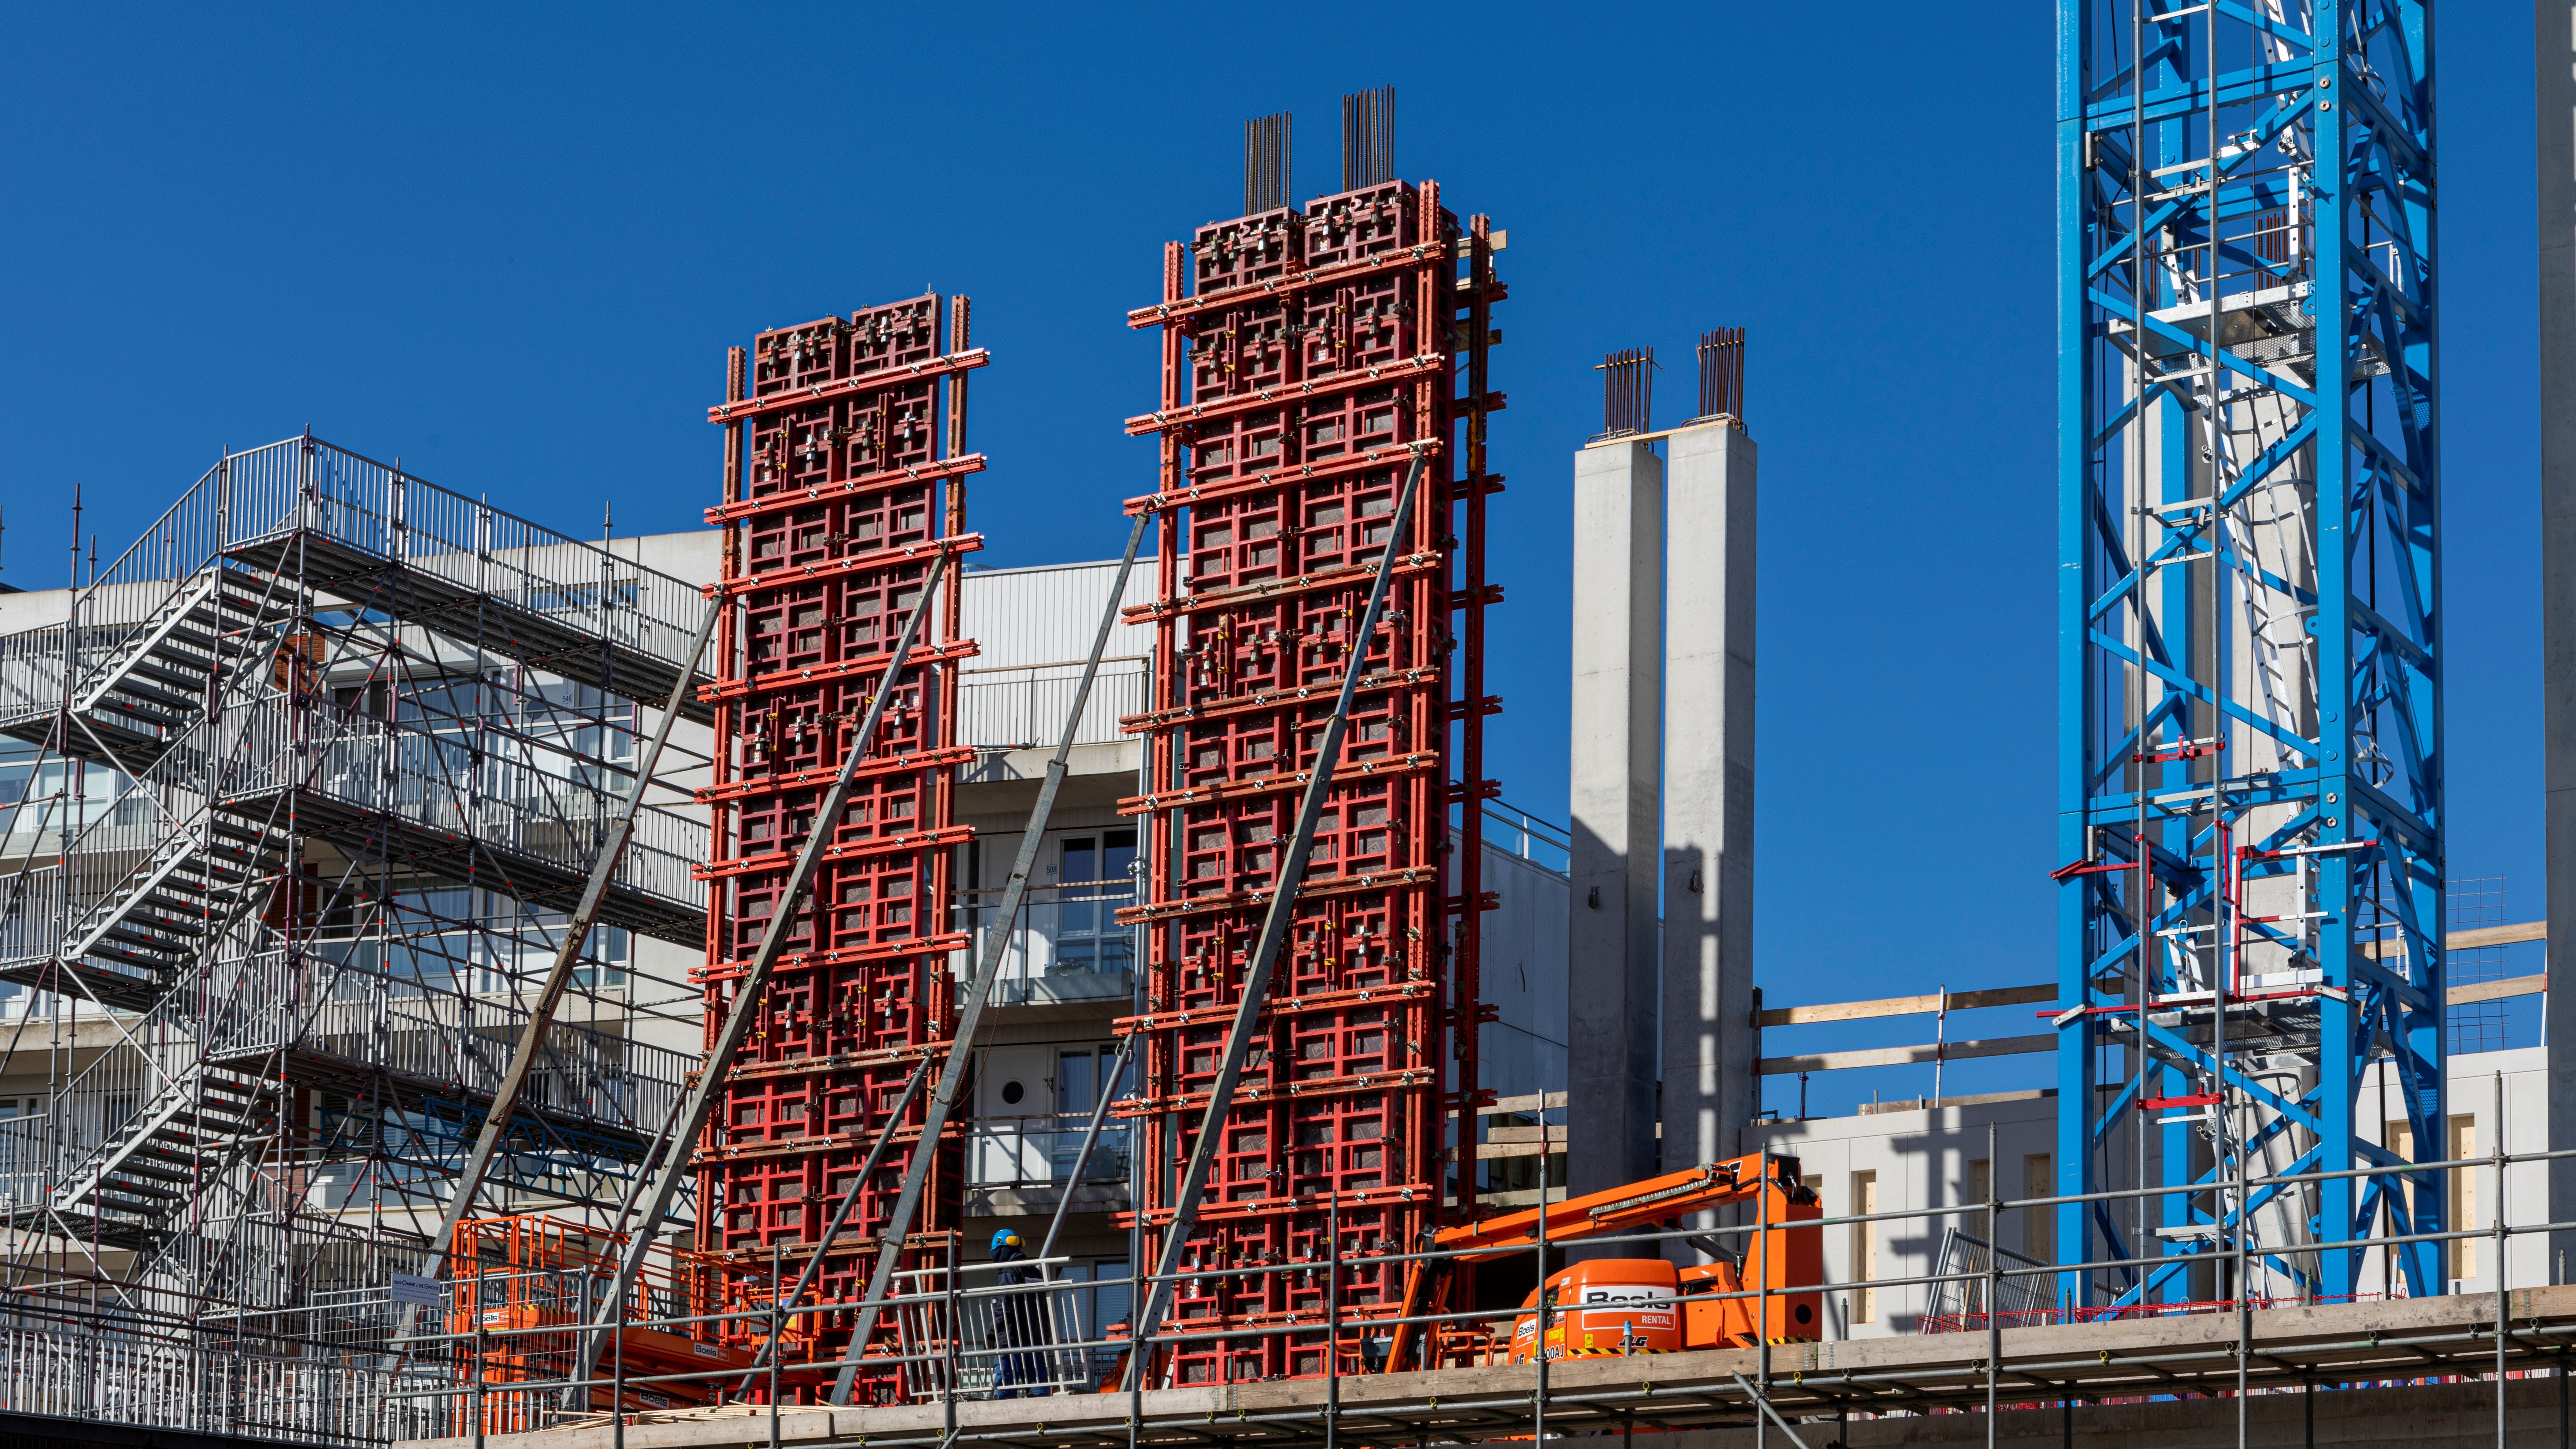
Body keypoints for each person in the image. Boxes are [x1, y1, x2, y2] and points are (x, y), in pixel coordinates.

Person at [987, 1229, 1050, 1398]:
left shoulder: (1008, 1273)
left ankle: (1003, 1420)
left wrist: (993, 1332)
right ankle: (1043, 1416)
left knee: (1006, 1383)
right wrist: (1045, 1334)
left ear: (1000, 1250)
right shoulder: (1035, 1272)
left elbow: (1003, 1306)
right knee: (1037, 1382)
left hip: (1011, 1339)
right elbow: (1044, 1307)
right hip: (1035, 1339)